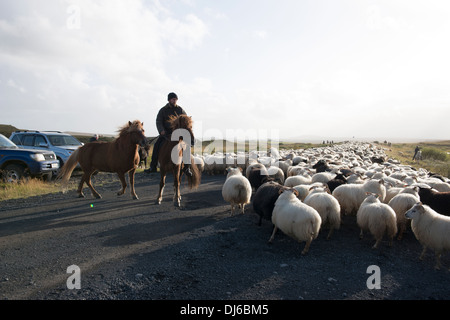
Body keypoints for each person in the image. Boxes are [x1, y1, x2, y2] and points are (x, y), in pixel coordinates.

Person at [145, 92, 193, 176]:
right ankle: (153, 166)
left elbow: (185, 119)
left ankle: (187, 167)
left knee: (187, 147)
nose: (174, 101)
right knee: (156, 146)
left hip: (178, 134)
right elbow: (158, 121)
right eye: (173, 99)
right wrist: (161, 130)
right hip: (166, 134)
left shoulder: (180, 110)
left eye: (175, 99)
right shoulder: (163, 110)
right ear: (169, 100)